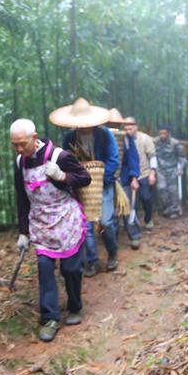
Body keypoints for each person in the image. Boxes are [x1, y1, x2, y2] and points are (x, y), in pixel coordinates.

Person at [11, 118, 91, 343]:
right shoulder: (20, 162)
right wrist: (23, 232)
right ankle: (50, 317)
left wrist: (62, 176)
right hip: (40, 224)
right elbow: (21, 198)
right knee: (45, 269)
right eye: (14, 145)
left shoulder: (60, 157)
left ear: (34, 138)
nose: (19, 149)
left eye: (22, 144)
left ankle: (75, 306)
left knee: (71, 269)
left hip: (66, 220)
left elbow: (86, 178)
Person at [57, 100, 119, 277]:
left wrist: (100, 179)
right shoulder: (70, 138)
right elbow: (65, 161)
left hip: (105, 185)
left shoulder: (105, 135)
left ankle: (112, 252)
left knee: (106, 221)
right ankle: (92, 261)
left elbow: (114, 159)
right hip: (81, 188)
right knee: (86, 225)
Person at [117, 116, 156, 231]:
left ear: (136, 127)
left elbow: (152, 156)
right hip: (128, 175)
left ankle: (148, 219)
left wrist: (152, 173)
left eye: (131, 128)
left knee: (146, 198)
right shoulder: (122, 139)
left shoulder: (145, 139)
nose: (128, 131)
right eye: (126, 128)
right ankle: (133, 224)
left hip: (144, 173)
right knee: (131, 201)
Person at [117, 117, 144, 249]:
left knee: (127, 208)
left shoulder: (126, 138)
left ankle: (134, 235)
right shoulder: (101, 136)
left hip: (124, 178)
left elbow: (133, 158)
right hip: (107, 179)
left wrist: (134, 177)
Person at [155, 125, 187, 218]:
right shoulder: (156, 142)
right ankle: (167, 208)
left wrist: (180, 168)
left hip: (172, 169)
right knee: (161, 188)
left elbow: (182, 157)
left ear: (168, 133)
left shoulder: (175, 143)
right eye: (160, 133)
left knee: (172, 190)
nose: (162, 135)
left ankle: (174, 210)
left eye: (164, 133)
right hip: (160, 170)